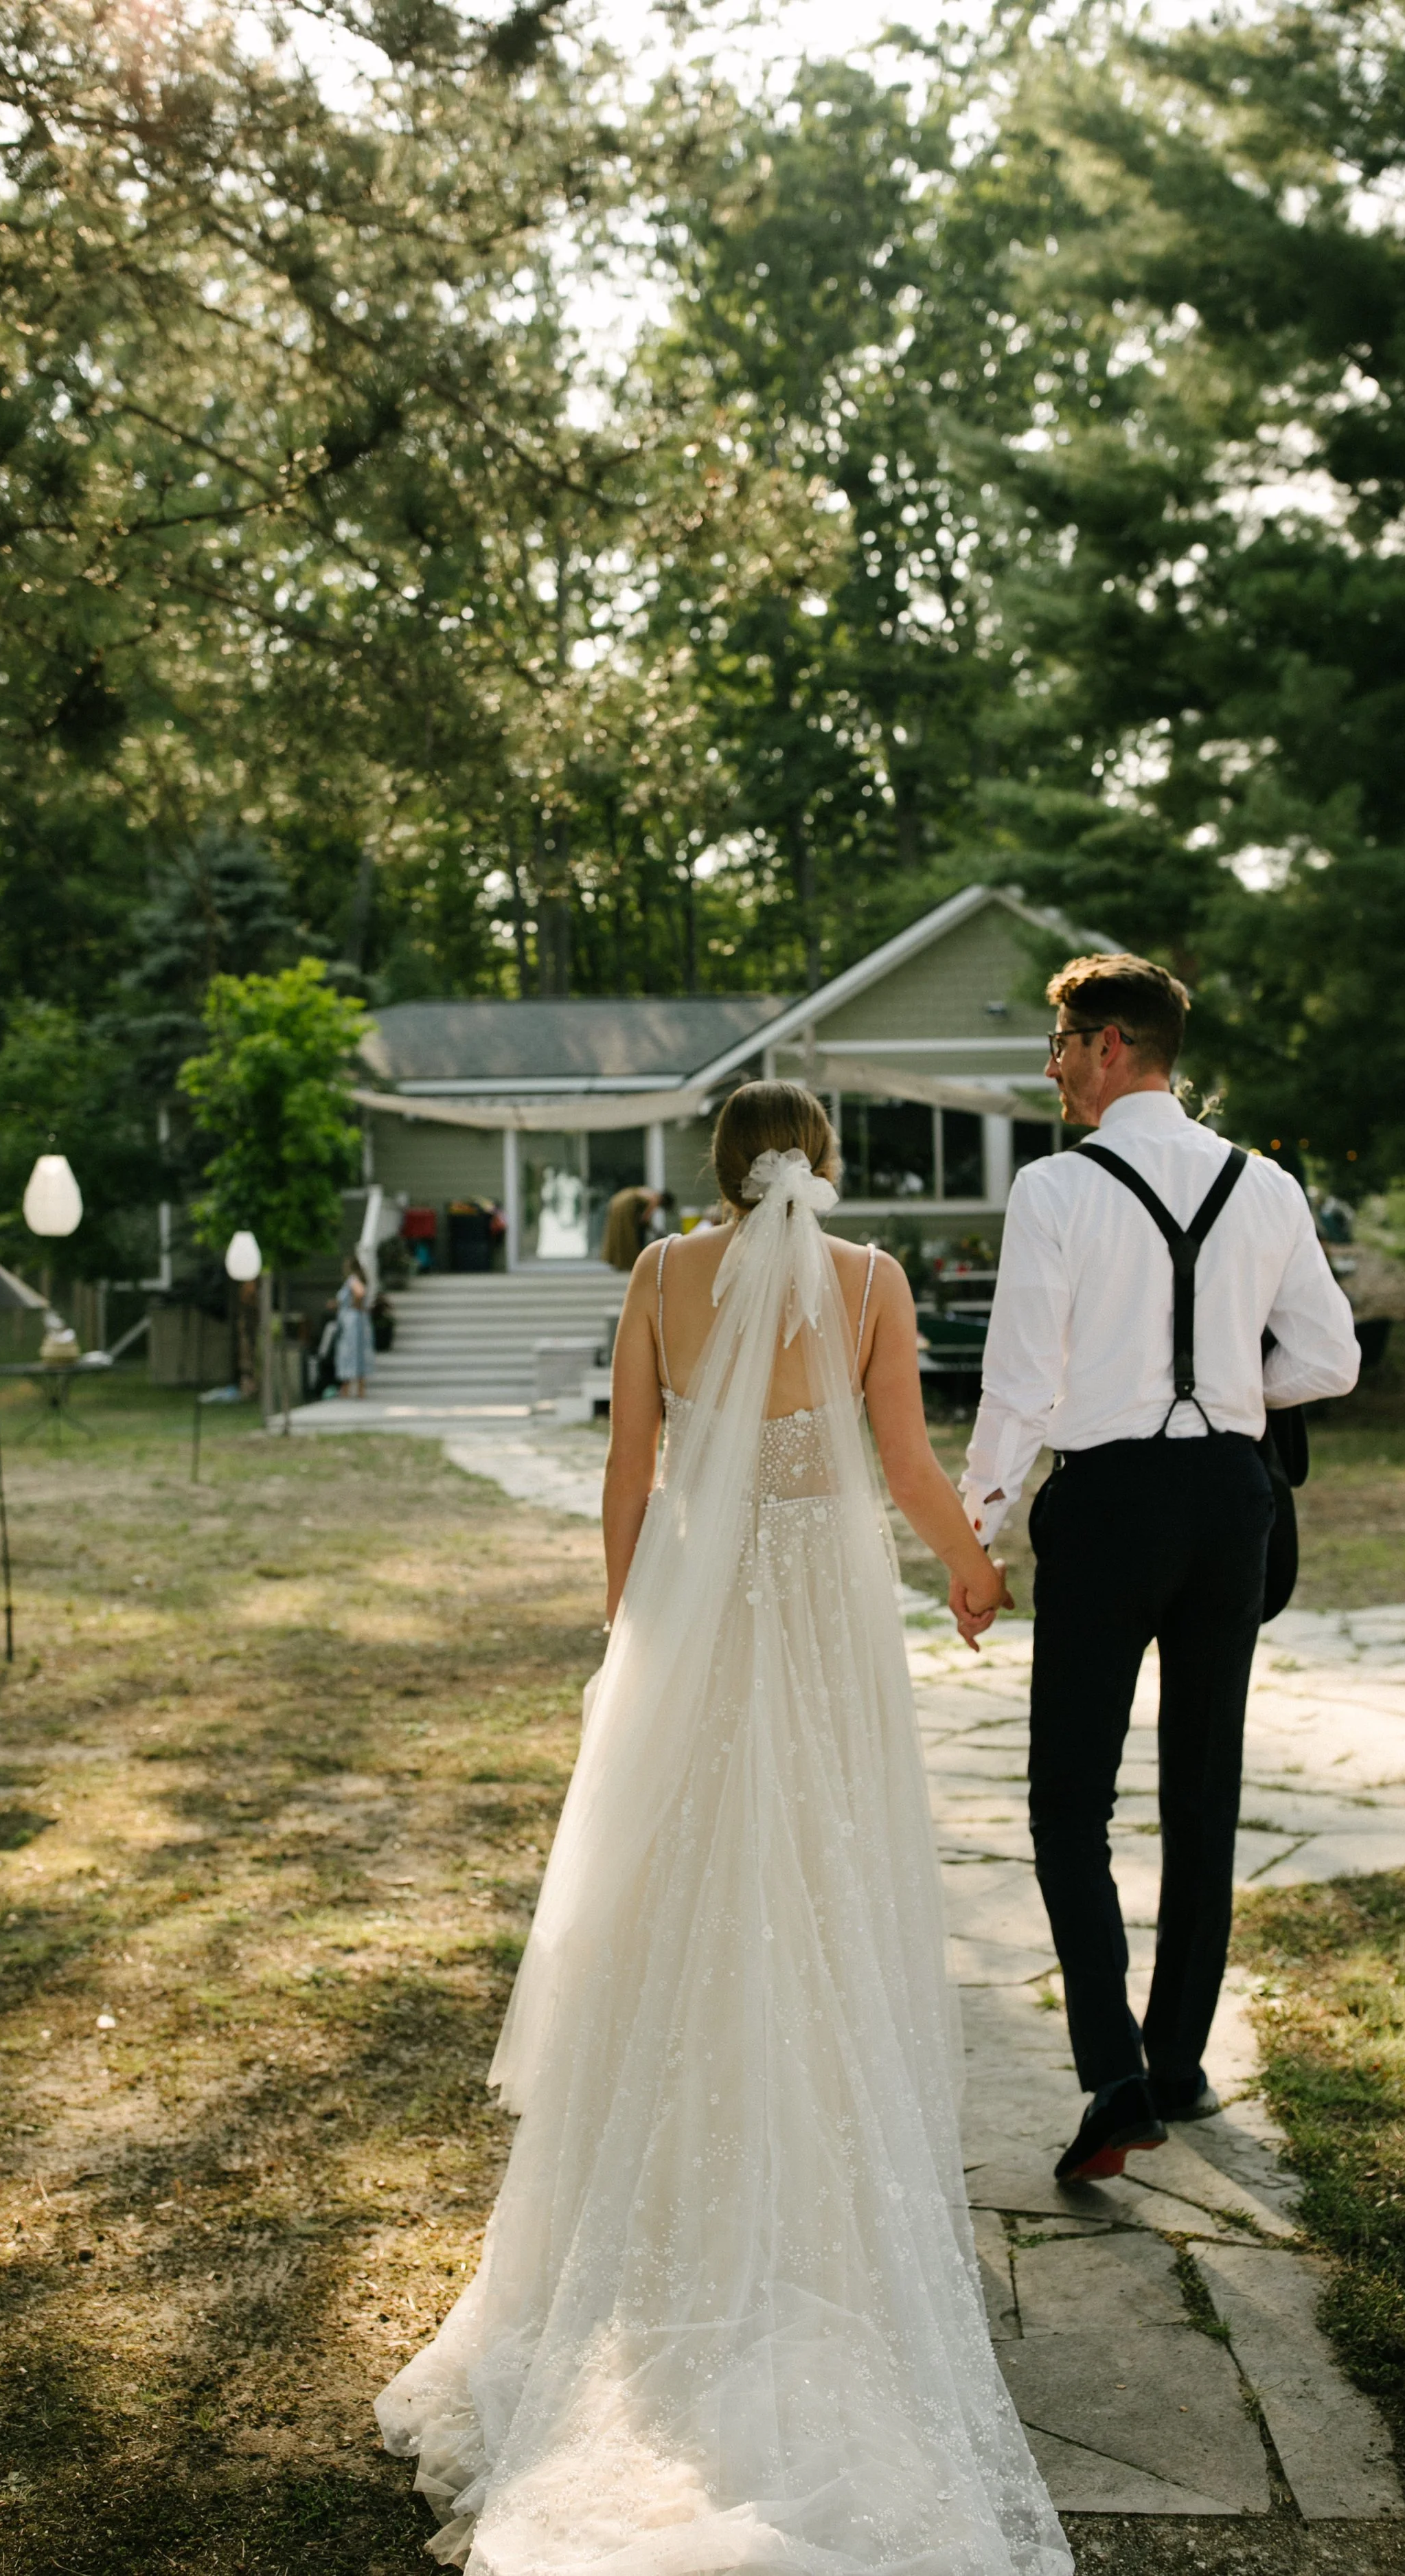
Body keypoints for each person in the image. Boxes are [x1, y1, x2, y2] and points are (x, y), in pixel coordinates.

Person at [376, 1081, 1072, 2576]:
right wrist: (968, 1566)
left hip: (697, 1632)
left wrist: (632, 1626)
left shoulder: (659, 1275)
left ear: (712, 1169)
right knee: (820, 1877)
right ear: (821, 1165)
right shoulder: (870, 1280)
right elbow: (899, 1467)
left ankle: (663, 2208)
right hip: (823, 1629)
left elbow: (626, 1474)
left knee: (682, 1886)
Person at [957, 954, 1360, 2185]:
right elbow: (1330, 1361)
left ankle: (1115, 2071)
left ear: (1115, 1045)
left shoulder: (1056, 1189)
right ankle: (1178, 2059)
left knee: (1068, 1798)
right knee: (1204, 1783)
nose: (1054, 1069)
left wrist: (978, 1526)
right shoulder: (1268, 1183)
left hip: (1111, 1499)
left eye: (1064, 1045)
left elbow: (1022, 1381)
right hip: (1230, 1503)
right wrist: (1232, 1394)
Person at [334, 1254, 374, 1401]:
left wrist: (353, 1304)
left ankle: (347, 1389)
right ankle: (359, 1389)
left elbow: (360, 1293)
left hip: (353, 1323)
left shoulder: (353, 1280)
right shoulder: (358, 1279)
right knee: (357, 1354)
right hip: (358, 1321)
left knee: (350, 1353)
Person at [600, 1182, 661, 1272]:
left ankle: (619, 1262)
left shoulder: (646, 1191)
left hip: (617, 1202)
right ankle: (632, 1262)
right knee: (629, 1237)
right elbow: (645, 1218)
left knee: (619, 1235)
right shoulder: (655, 1198)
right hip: (626, 1206)